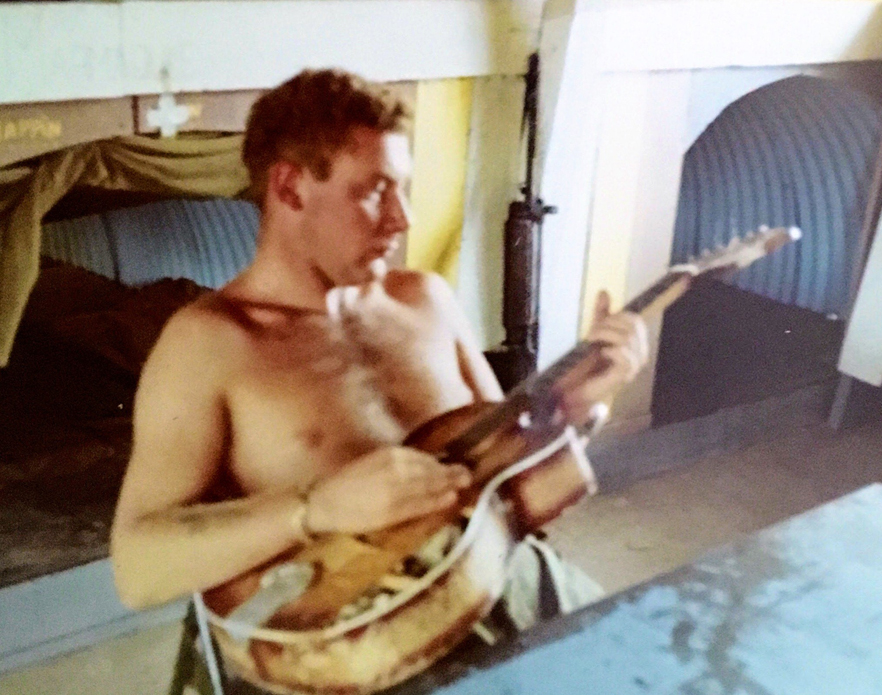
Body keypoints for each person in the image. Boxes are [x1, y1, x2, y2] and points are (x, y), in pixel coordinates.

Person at [110, 67, 647, 672]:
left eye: (404, 189)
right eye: (374, 190)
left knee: (665, 658)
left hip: (489, 586)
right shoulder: (208, 345)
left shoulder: (427, 300)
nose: (404, 219)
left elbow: (504, 474)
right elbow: (136, 567)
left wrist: (577, 406)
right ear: (289, 188)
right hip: (348, 649)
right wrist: (314, 509)